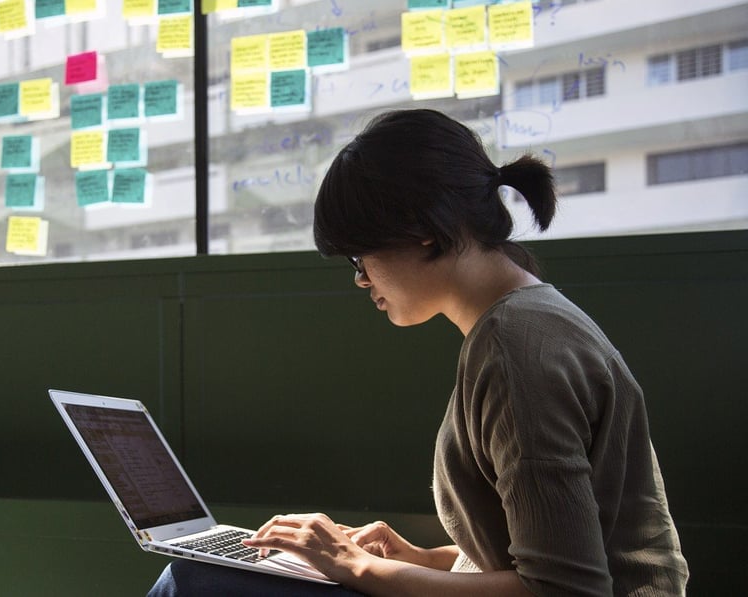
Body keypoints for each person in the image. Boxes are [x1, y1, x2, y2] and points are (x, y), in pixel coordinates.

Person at [148, 109, 689, 596]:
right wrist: (420, 560)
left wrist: (355, 567)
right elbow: (544, 553)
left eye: (361, 258)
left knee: (192, 582)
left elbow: (564, 589)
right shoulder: (526, 323)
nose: (361, 281)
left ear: (423, 233)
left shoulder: (516, 351)